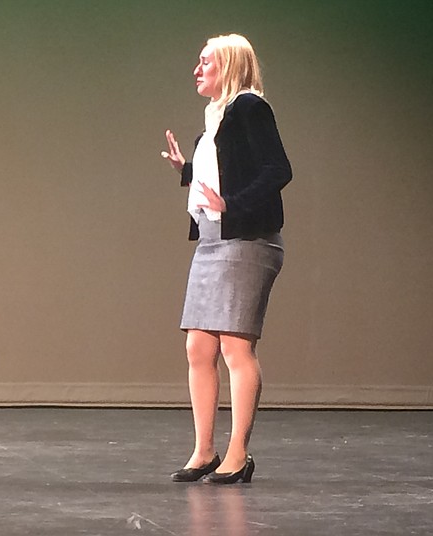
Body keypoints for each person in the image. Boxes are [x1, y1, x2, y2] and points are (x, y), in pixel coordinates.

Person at [161, 33, 291, 484]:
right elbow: (227, 169)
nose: (197, 70)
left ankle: (238, 454)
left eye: (205, 63)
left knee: (236, 347)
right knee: (198, 346)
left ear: (230, 66)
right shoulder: (215, 120)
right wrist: (188, 172)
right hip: (214, 242)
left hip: (249, 240)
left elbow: (278, 169)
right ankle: (204, 451)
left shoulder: (250, 107)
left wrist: (231, 204)